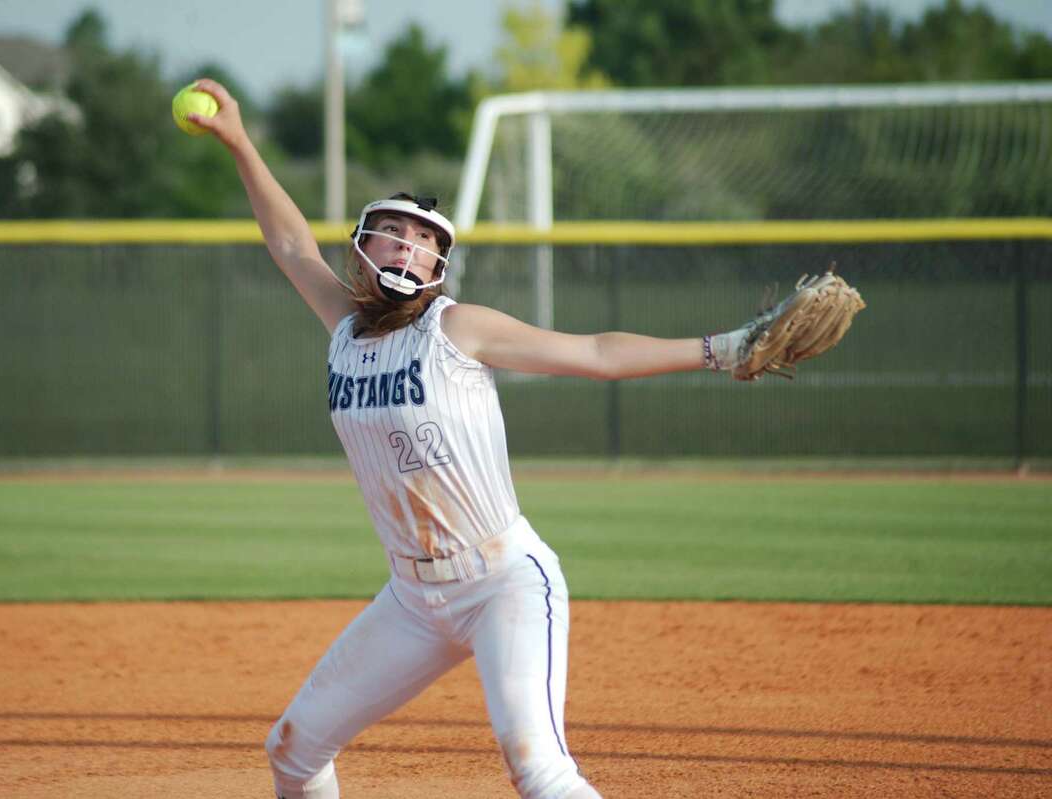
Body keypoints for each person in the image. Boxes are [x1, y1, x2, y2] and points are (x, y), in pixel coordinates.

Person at [188, 78, 750, 799]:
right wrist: (239, 141)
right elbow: (291, 242)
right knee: (292, 751)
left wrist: (718, 349)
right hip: (411, 598)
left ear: (437, 266)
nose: (411, 243)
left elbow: (596, 354)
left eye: (426, 239)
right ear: (364, 246)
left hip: (503, 581)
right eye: (397, 229)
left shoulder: (455, 328)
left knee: (538, 771)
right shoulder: (344, 329)